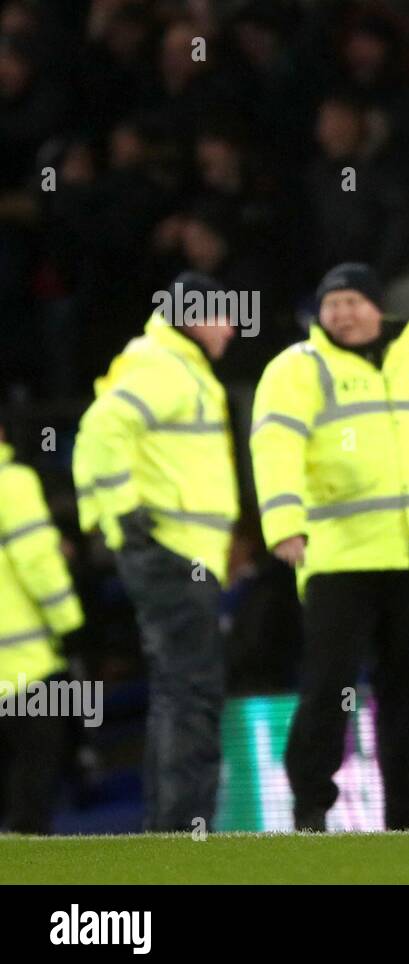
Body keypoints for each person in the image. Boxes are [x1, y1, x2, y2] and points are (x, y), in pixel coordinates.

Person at [250, 263, 409, 832]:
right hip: (337, 559)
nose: (342, 312)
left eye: (353, 300)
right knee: (327, 686)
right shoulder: (299, 368)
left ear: (378, 306)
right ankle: (311, 805)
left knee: (407, 694)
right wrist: (284, 523)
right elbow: (275, 447)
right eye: (331, 303)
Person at [73, 271, 238, 831]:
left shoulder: (174, 364)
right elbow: (99, 429)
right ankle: (184, 829)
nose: (233, 328)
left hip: (178, 552)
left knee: (179, 691)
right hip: (171, 552)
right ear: (193, 316)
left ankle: (170, 830)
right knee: (190, 693)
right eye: (222, 314)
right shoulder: (164, 365)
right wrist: (124, 518)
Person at [0, 422, 84, 833]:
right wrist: (69, 621)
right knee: (32, 793)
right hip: (24, 666)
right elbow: (36, 560)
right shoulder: (11, 483)